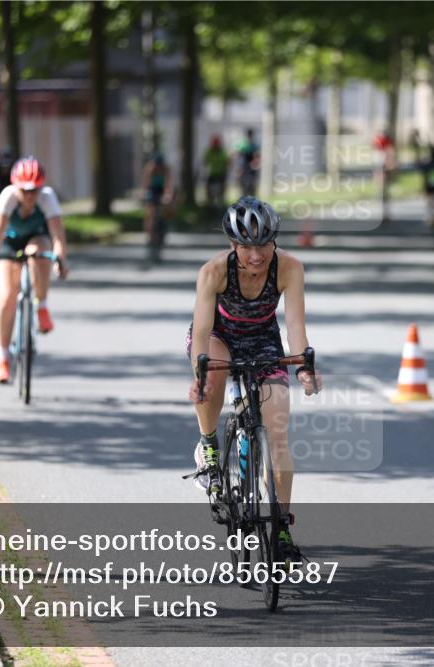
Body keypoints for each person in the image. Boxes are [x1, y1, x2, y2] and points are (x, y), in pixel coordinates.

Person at [185, 196, 322, 559]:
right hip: (220, 335)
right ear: (233, 245)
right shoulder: (213, 271)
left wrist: (304, 366)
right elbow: (201, 330)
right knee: (213, 379)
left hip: (263, 339)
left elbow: (295, 327)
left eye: (264, 245)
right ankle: (209, 445)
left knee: (277, 427)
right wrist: (199, 372)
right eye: (247, 247)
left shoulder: (289, 268)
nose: (257, 256)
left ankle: (280, 531)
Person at [0, 156, 69, 384]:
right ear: (15, 186)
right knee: (7, 296)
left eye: (34, 191)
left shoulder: (48, 199)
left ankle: (42, 305)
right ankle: (2, 360)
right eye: (24, 191)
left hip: (36, 237)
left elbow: (58, 236)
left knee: (40, 252)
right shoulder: (7, 197)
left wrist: (61, 260)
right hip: (9, 241)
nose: (29, 196)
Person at [141, 151, 173, 238]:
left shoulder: (166, 169)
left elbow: (168, 184)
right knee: (150, 210)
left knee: (168, 204)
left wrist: (167, 196)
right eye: (157, 165)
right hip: (152, 189)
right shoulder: (149, 169)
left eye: (160, 165)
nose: (159, 167)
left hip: (162, 189)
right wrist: (145, 195)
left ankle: (167, 223)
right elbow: (146, 184)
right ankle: (149, 231)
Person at [202, 135, 229, 211]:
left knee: (221, 192)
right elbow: (204, 160)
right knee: (209, 192)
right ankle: (210, 207)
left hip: (220, 174)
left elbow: (226, 162)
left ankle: (221, 208)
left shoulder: (222, 151)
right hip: (211, 174)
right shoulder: (209, 151)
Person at [234, 129, 260, 197]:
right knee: (243, 188)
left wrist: (256, 164)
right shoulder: (242, 145)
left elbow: (257, 157)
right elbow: (238, 158)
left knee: (252, 188)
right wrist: (238, 169)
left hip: (251, 170)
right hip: (243, 169)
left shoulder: (254, 145)